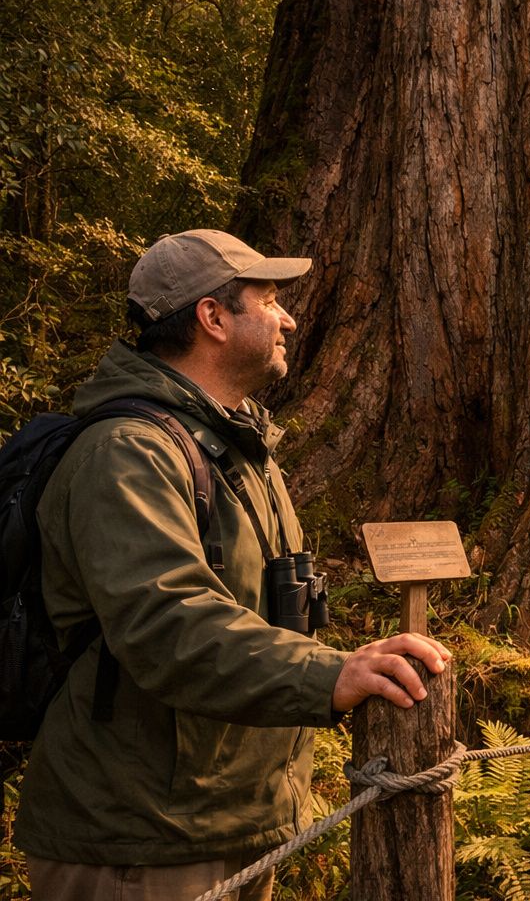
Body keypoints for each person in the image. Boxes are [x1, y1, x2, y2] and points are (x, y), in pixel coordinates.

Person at [15, 229, 453, 901]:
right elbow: (170, 625)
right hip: (138, 845)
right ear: (213, 318)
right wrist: (329, 674)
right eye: (269, 299)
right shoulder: (128, 452)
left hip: (229, 826)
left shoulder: (235, 443)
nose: (289, 318)